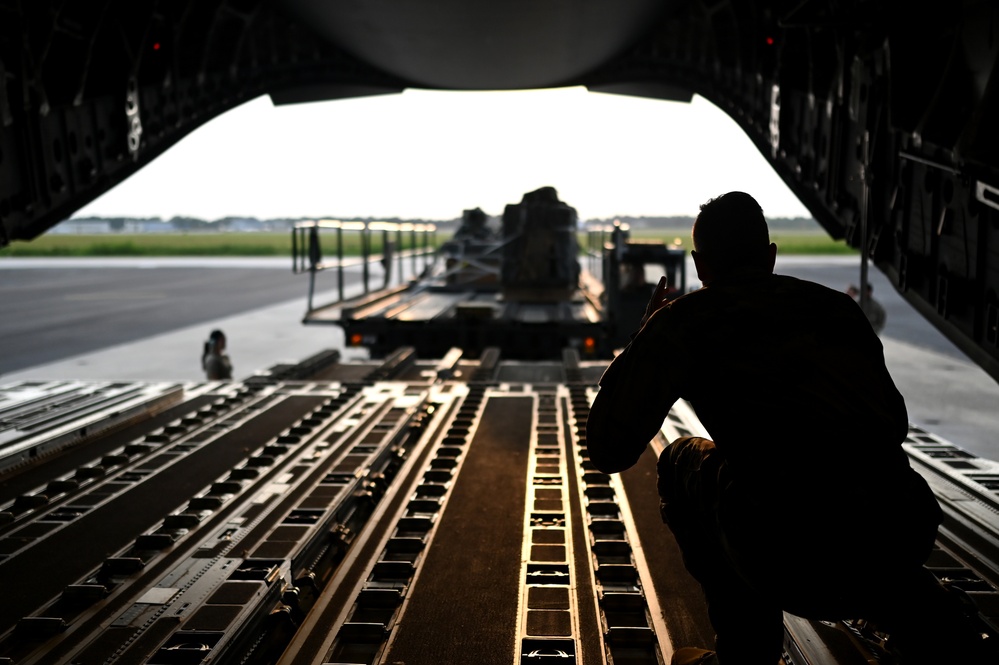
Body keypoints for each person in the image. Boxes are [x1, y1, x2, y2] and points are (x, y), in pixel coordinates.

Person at [585, 192, 988, 664]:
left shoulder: (684, 321)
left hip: (785, 554)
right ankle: (925, 623)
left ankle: (746, 655)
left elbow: (608, 448)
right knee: (862, 487)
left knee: (681, 461)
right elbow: (892, 421)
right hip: (900, 533)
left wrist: (645, 335)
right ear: (771, 256)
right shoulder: (838, 310)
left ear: (698, 265)